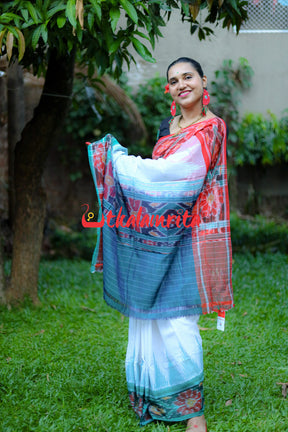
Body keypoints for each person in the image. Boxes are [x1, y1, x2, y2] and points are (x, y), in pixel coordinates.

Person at [86, 57, 233, 432]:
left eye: (188, 77)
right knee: (149, 312)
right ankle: (154, 397)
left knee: (180, 321)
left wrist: (118, 160)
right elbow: (157, 190)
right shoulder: (169, 129)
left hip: (192, 237)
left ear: (203, 81)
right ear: (168, 89)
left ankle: (193, 413)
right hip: (160, 237)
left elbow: (176, 176)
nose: (182, 84)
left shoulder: (211, 127)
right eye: (174, 80)